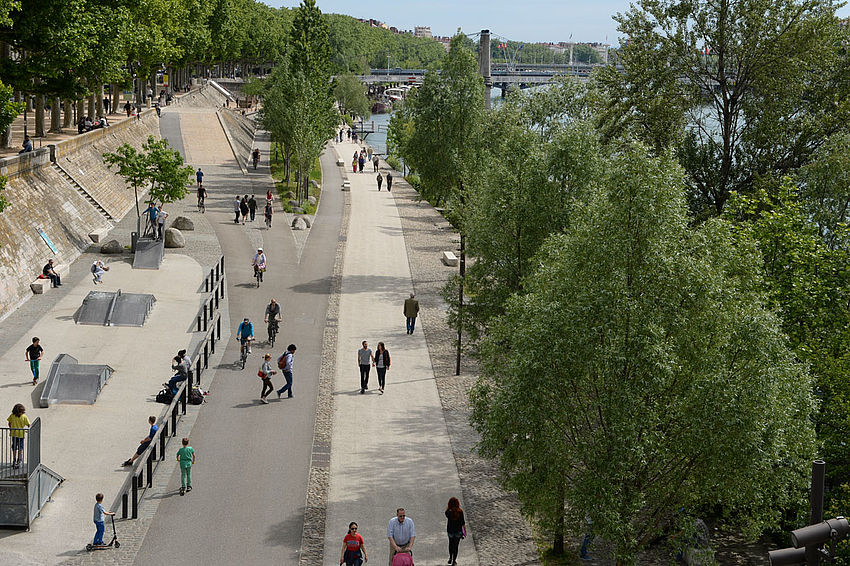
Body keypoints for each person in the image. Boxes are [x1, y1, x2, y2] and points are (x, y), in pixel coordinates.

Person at [445, 497, 466, 566]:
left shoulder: (448, 512)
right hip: (458, 532)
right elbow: (463, 523)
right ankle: (454, 561)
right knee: (456, 546)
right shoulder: (460, 512)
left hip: (450, 531)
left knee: (451, 544)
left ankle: (450, 557)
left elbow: (447, 514)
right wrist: (464, 532)